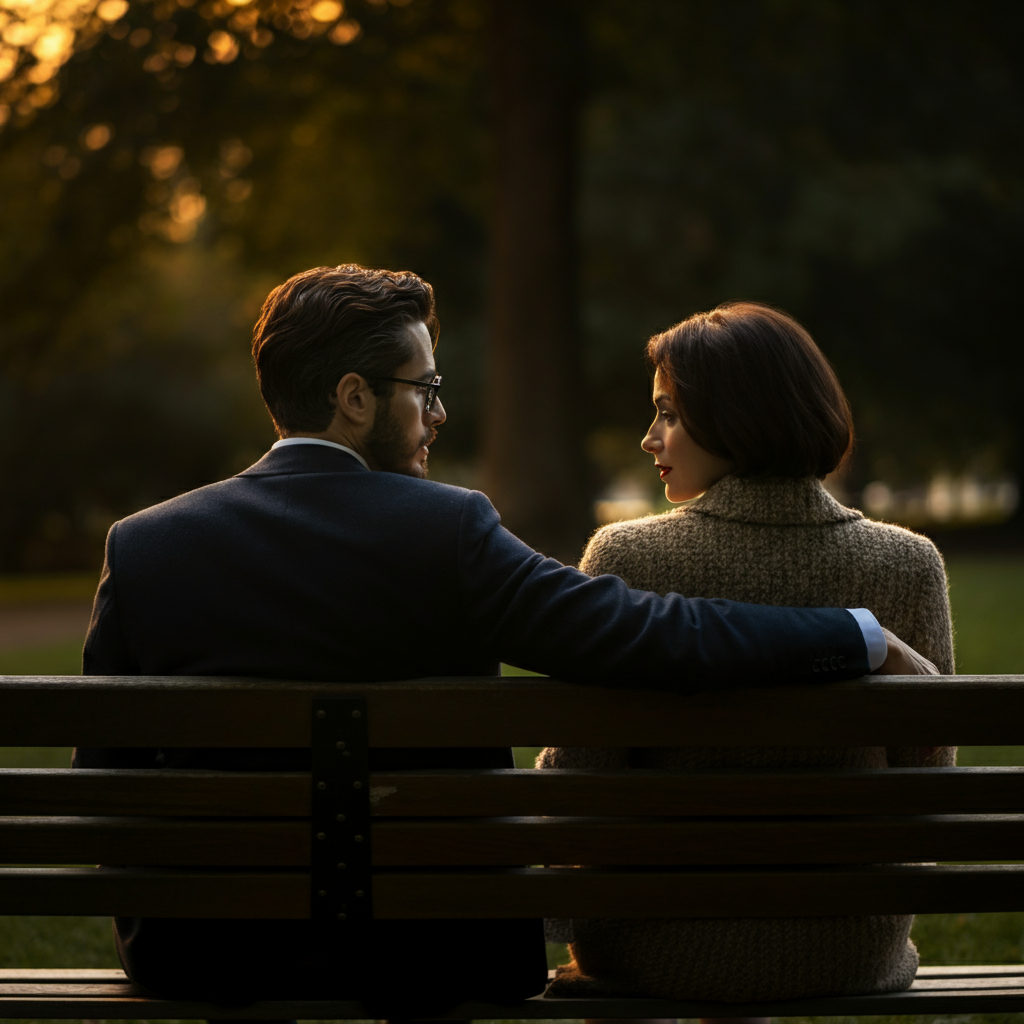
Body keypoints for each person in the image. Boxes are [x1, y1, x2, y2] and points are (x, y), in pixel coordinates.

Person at [77, 269, 930, 1018]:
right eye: (424, 388)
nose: (438, 412)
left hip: (198, 955)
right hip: (430, 953)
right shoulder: (447, 530)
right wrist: (853, 634)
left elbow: (101, 796)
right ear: (354, 398)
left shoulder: (146, 545)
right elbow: (642, 633)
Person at [538, 301, 955, 1012]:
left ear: (735, 416)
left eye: (667, 413)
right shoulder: (907, 565)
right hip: (847, 946)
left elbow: (580, 782)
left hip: (653, 946)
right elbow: (927, 790)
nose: (649, 438)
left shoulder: (626, 557)